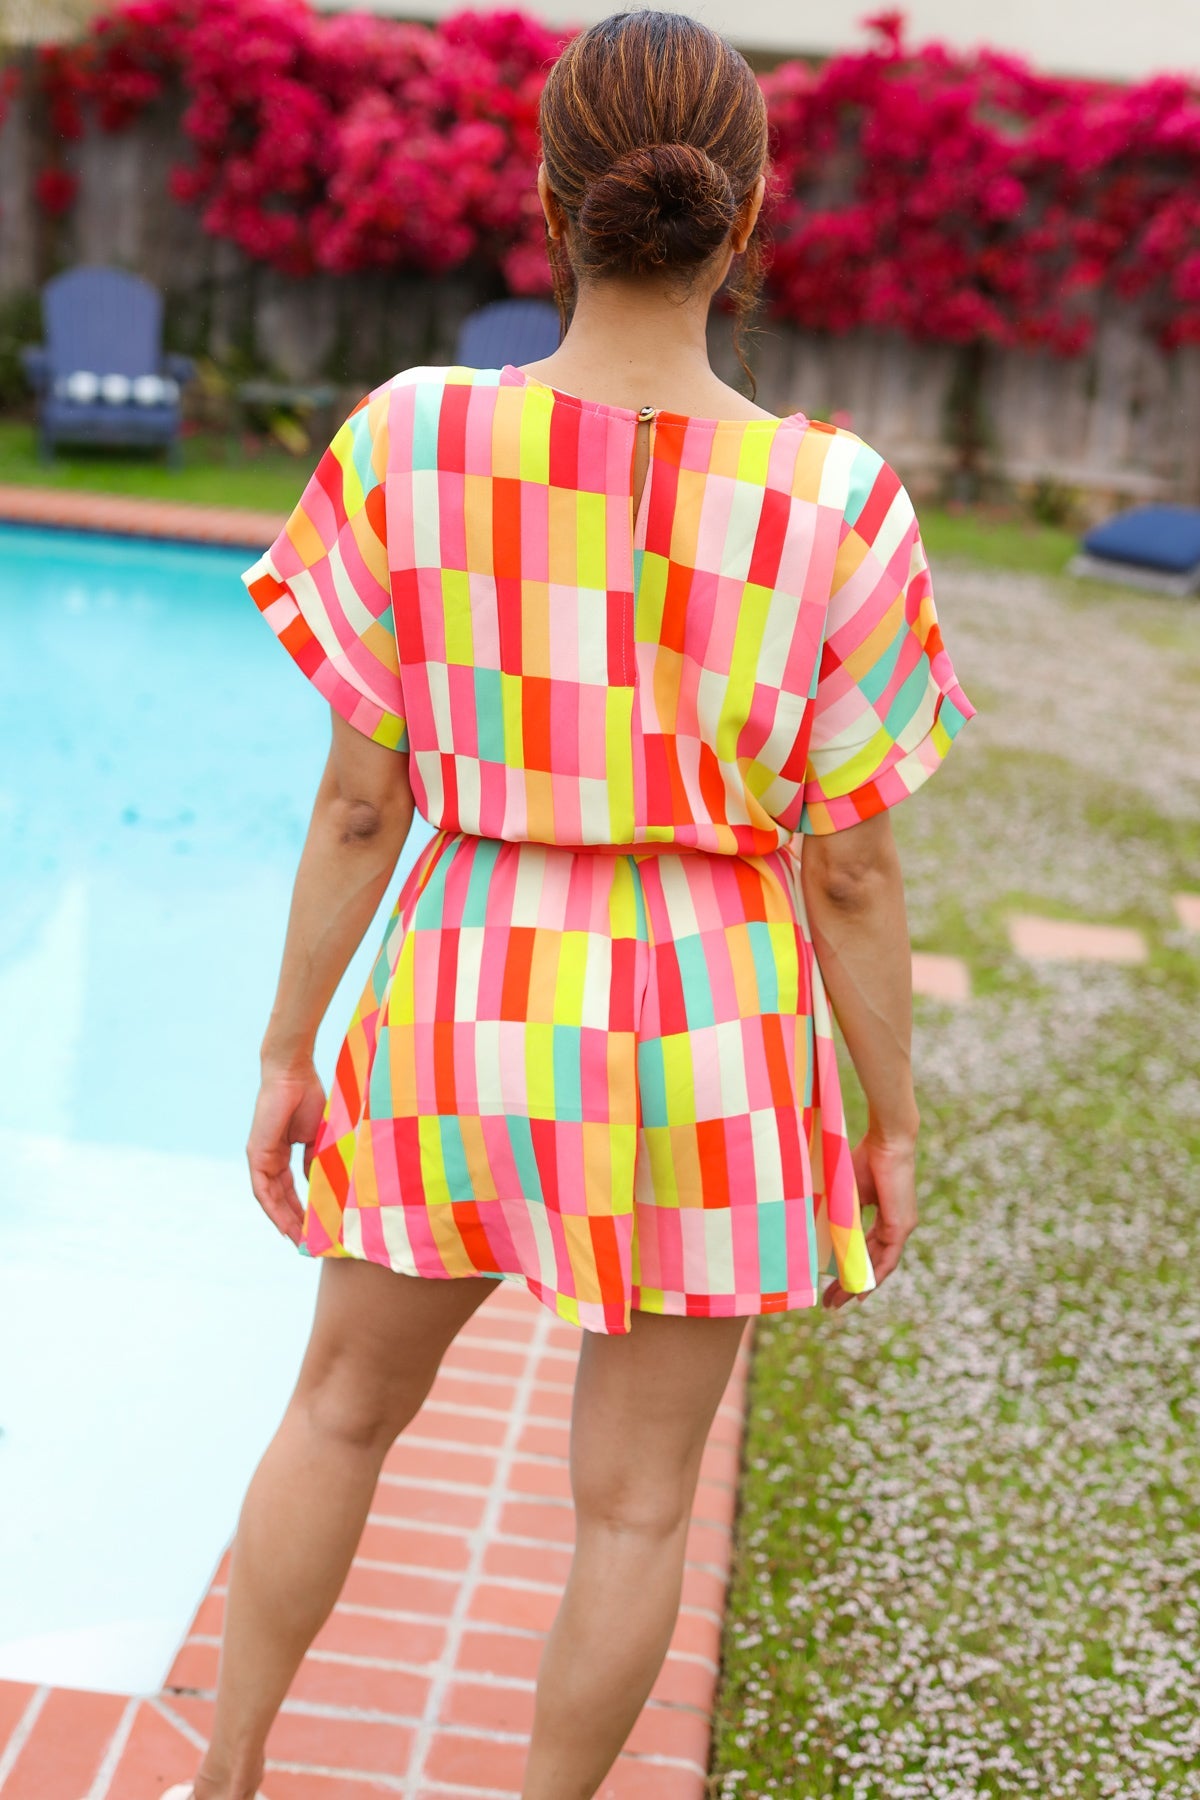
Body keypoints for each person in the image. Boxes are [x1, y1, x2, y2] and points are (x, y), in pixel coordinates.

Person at [168, 12, 975, 1800]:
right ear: (748, 217)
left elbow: (362, 802)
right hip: (713, 1042)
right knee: (632, 1508)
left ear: (549, 201)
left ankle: (219, 1781)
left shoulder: (412, 439)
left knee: (339, 1411)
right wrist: (893, 1117)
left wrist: (290, 1052)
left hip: (465, 997)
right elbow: (848, 866)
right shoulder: (838, 501)